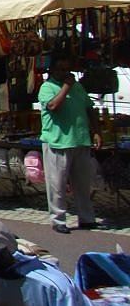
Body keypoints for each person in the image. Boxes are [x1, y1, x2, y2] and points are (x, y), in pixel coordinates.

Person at [38, 56, 103, 234]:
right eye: (61, 69)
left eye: (68, 69)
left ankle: (87, 218)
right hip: (57, 142)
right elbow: (53, 106)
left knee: (83, 184)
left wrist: (96, 131)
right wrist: (66, 87)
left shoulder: (78, 87)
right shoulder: (47, 87)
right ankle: (58, 219)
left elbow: (90, 108)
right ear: (52, 71)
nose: (66, 73)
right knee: (57, 185)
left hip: (80, 140)